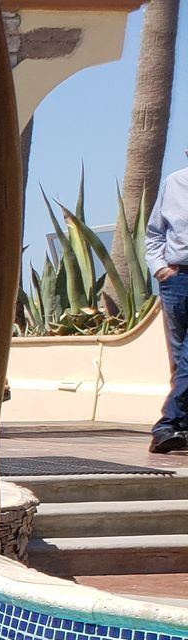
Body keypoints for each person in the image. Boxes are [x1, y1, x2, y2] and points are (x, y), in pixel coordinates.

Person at [146, 156, 188, 452]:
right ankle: (181, 427)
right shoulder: (174, 182)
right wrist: (160, 268)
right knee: (178, 359)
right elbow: (154, 233)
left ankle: (166, 425)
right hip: (176, 279)